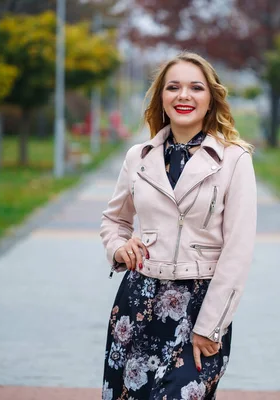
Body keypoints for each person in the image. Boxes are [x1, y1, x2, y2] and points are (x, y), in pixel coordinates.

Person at [99, 52, 257, 399]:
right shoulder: (138, 158)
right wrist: (118, 246)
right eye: (174, 87)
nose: (184, 96)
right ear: (161, 97)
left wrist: (211, 327)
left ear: (211, 97)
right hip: (137, 303)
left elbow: (238, 252)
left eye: (195, 87)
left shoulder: (234, 159)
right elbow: (115, 220)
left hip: (199, 308)